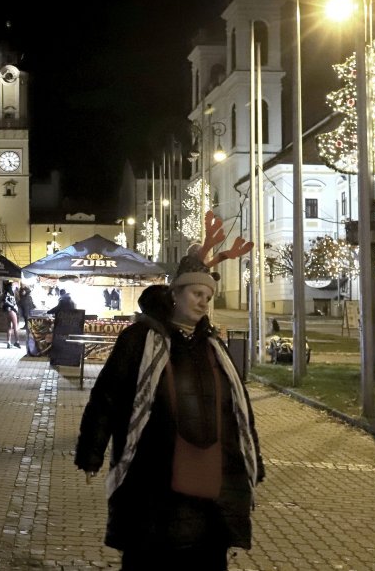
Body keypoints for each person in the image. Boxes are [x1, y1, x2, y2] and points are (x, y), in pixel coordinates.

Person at [75, 238, 263, 570]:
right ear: (175, 293)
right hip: (154, 478)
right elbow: (108, 395)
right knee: (151, 556)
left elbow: (237, 410)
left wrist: (253, 462)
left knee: (206, 557)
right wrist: (92, 450)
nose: (203, 302)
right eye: (196, 294)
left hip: (210, 483)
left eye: (208, 297)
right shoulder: (139, 339)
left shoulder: (213, 346)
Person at [2, 283, 20, 349]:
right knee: (15, 326)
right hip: (12, 311)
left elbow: (4, 301)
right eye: (12, 286)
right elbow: (7, 301)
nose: (13, 288)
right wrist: (14, 306)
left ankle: (8, 342)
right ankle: (17, 342)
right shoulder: (9, 294)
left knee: (9, 327)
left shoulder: (6, 293)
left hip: (7, 311)